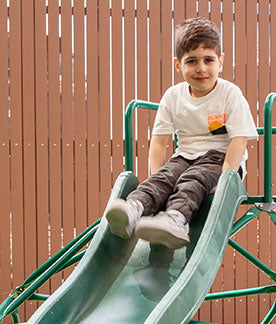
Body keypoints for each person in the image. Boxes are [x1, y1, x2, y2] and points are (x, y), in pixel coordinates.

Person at [105, 17, 258, 249]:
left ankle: (174, 219)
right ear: (178, 65)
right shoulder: (173, 96)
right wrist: (158, 181)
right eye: (191, 61)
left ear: (221, 61)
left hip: (220, 158)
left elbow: (239, 139)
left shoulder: (229, 94)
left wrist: (226, 179)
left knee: (192, 180)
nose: (201, 68)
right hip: (185, 156)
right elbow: (159, 143)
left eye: (209, 60)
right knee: (164, 178)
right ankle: (133, 208)